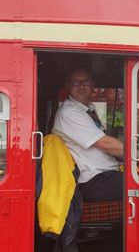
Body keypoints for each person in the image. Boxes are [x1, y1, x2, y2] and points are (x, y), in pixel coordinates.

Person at [52, 68, 124, 201]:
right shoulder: (69, 113)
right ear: (68, 86)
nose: (81, 86)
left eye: (86, 82)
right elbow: (105, 143)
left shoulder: (87, 110)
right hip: (93, 182)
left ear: (93, 85)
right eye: (76, 82)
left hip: (104, 176)